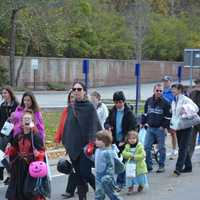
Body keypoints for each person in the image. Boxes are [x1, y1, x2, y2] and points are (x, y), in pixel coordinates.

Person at [62, 81, 102, 200]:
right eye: (74, 89)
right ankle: (82, 198)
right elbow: (68, 127)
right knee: (78, 175)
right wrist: (66, 142)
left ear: (84, 92)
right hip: (73, 147)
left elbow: (94, 126)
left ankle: (101, 191)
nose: (76, 91)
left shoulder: (89, 106)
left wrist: (92, 142)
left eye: (79, 89)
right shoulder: (71, 107)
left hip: (86, 148)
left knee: (85, 172)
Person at [5, 110, 47, 200]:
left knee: (28, 191)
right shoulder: (18, 135)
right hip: (19, 166)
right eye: (25, 119)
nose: (26, 120)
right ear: (21, 122)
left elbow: (42, 151)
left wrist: (38, 154)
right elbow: (14, 148)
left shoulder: (36, 136)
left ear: (32, 122)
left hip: (31, 167)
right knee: (16, 190)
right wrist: (9, 149)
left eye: (28, 119)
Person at [104, 91, 137, 189]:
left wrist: (125, 140)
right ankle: (120, 181)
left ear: (124, 101)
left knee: (123, 161)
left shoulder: (129, 113)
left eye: (120, 102)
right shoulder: (113, 111)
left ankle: (120, 182)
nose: (118, 104)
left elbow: (133, 129)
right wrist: (108, 126)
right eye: (116, 102)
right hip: (115, 141)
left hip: (125, 140)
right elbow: (107, 121)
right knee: (116, 162)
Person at [141, 83, 171, 173]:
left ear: (162, 91)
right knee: (146, 147)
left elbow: (168, 116)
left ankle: (161, 165)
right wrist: (143, 123)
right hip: (150, 128)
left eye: (160, 91)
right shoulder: (148, 101)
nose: (158, 92)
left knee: (161, 148)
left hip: (160, 129)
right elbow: (145, 113)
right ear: (154, 90)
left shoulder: (166, 103)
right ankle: (148, 166)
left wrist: (163, 127)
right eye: (157, 90)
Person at [171, 84, 198, 176]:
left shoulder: (186, 99)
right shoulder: (174, 101)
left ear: (179, 90)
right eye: (172, 89)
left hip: (187, 127)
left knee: (182, 148)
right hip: (179, 126)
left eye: (174, 89)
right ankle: (188, 167)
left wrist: (185, 110)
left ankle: (178, 169)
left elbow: (195, 108)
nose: (172, 91)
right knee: (183, 147)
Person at [54, 90, 77, 199]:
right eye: (70, 97)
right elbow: (61, 125)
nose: (72, 99)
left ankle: (70, 190)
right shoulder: (66, 110)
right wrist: (57, 139)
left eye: (74, 97)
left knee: (75, 167)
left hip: (79, 143)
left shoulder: (81, 110)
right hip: (68, 143)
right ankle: (83, 184)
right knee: (75, 167)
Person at [95, 130, 123, 200]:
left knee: (111, 193)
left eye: (98, 140)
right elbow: (95, 160)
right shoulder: (97, 150)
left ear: (105, 141)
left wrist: (109, 175)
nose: (96, 141)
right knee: (99, 193)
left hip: (106, 177)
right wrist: (87, 153)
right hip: (98, 175)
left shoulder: (108, 152)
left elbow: (111, 165)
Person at [0, 86, 18, 184]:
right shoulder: (2, 106)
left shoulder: (16, 105)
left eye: (5, 93)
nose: (4, 95)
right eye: (2, 93)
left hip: (15, 132)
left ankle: (12, 175)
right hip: (4, 133)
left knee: (11, 155)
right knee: (1, 154)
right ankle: (9, 173)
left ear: (10, 93)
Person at [122, 130, 148, 194]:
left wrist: (135, 157)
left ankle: (141, 185)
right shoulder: (127, 146)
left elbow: (143, 155)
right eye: (130, 139)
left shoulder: (140, 146)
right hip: (130, 164)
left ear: (137, 139)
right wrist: (130, 155)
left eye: (134, 138)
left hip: (139, 165)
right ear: (127, 139)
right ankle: (130, 188)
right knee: (129, 177)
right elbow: (124, 153)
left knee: (140, 177)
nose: (132, 140)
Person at [161, 76, 177, 159]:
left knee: (172, 133)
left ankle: (174, 150)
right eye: (164, 81)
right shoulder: (161, 91)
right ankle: (160, 150)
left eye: (167, 81)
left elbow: (176, 102)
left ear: (170, 82)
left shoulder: (173, 92)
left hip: (170, 116)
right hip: (161, 116)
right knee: (161, 132)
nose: (165, 83)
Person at [188, 78, 200, 158]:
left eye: (199, 83)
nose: (197, 85)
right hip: (193, 120)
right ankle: (188, 161)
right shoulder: (192, 94)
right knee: (190, 142)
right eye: (196, 83)